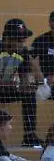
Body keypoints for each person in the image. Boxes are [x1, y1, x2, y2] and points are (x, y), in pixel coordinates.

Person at [0, 19, 41, 147]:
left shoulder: (23, 52)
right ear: (7, 39)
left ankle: (30, 135)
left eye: (24, 40)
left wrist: (29, 85)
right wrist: (12, 84)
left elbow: (24, 80)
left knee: (29, 93)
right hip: (5, 86)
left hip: (6, 90)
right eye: (19, 40)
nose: (22, 43)